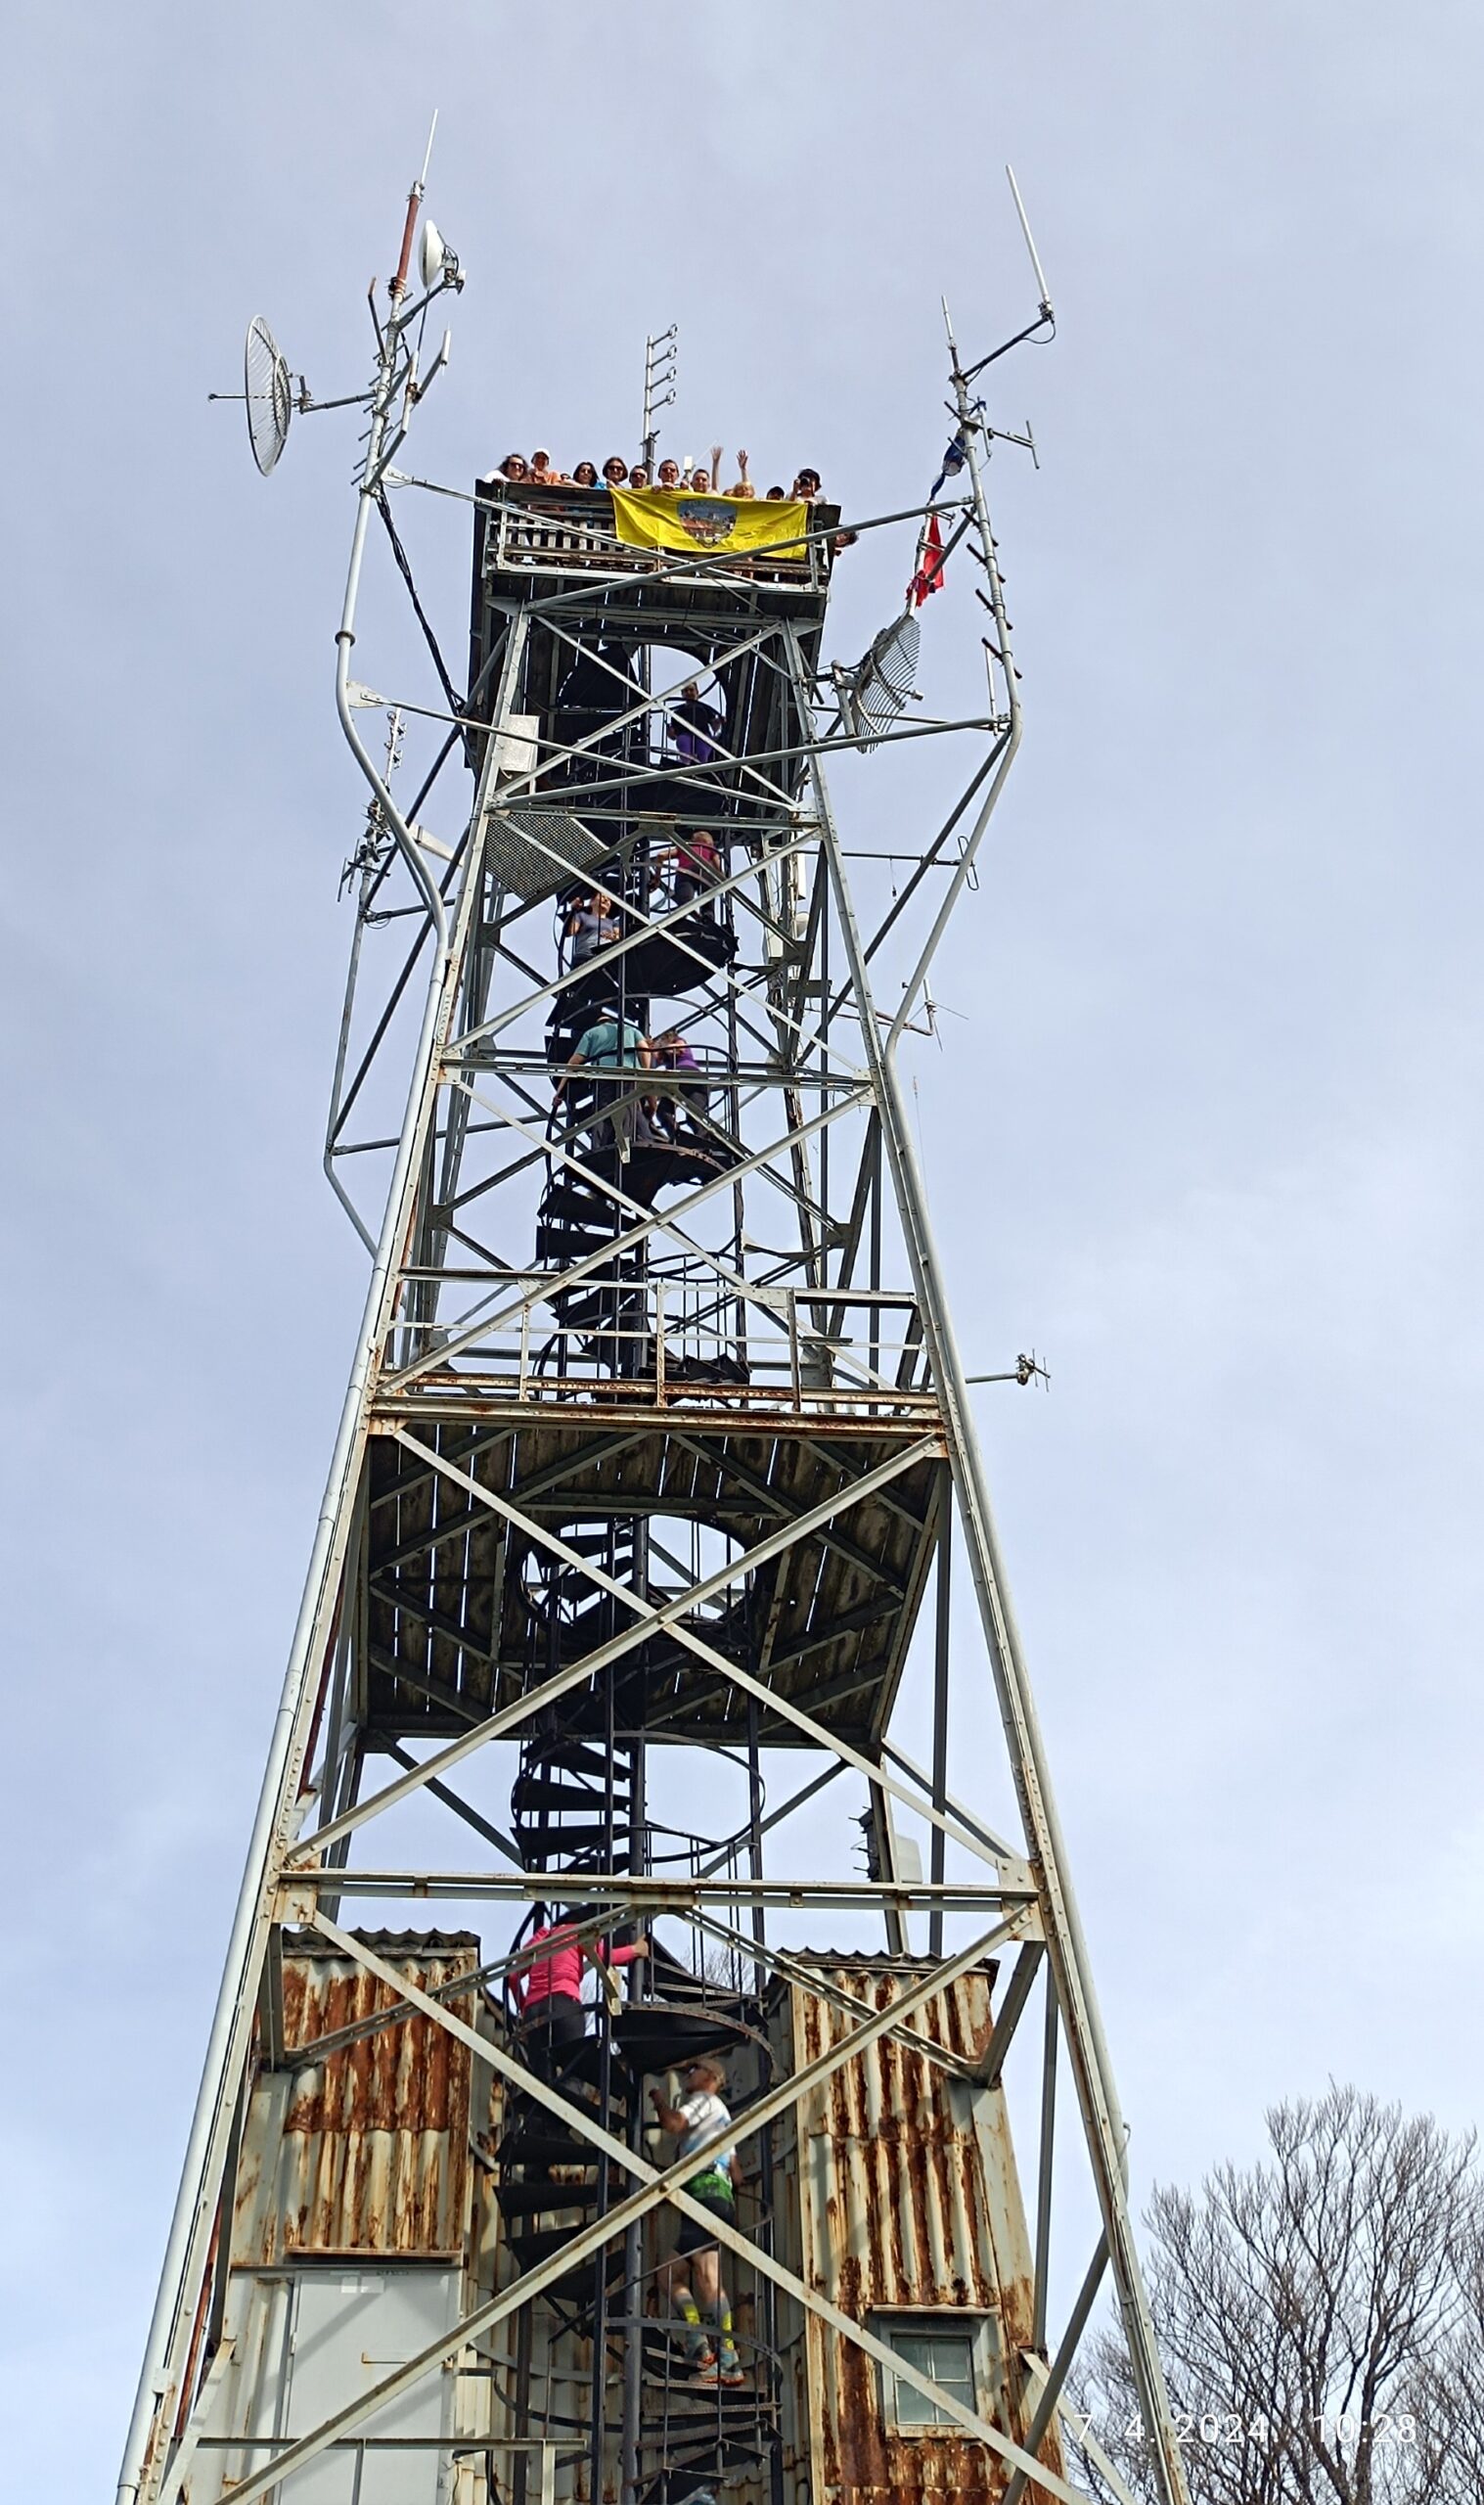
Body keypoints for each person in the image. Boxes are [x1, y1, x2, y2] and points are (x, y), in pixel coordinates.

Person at [652, 2058, 745, 2385]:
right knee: (668, 2274)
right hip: (711, 2196)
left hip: (705, 2194)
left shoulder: (704, 2100)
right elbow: (737, 2174)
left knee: (707, 2277)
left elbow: (674, 2123)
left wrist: (658, 2101)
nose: (688, 2076)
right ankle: (697, 2341)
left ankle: (728, 2359)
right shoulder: (724, 2118)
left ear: (711, 2077)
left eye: (694, 2071)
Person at [513, 1905, 649, 2077]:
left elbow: (512, 1977)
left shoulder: (541, 1937)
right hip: (563, 2004)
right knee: (574, 2070)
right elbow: (604, 1957)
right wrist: (636, 1949)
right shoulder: (576, 1931)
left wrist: (524, 2009)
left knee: (540, 2078)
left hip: (532, 2011)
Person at [555, 1005, 652, 1158]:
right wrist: (646, 1073)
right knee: (628, 1111)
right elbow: (644, 1050)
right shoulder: (631, 1030)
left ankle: (599, 1150)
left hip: (603, 1077)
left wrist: (560, 1091)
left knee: (602, 1113)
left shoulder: (591, 1033)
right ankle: (626, 1151)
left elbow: (575, 1062)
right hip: (629, 1075)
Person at [650, 1027, 707, 1138]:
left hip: (688, 1075)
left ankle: (703, 1139)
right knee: (663, 1112)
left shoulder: (679, 1041)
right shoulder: (667, 1058)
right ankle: (677, 1135)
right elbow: (653, 1060)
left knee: (694, 1117)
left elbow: (679, 1048)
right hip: (683, 1080)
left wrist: (661, 1047)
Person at [669, 682, 724, 768]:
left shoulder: (704, 708)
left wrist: (718, 722)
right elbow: (673, 735)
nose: (688, 692)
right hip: (684, 734)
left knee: (703, 752)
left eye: (691, 690)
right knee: (684, 747)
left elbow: (714, 727)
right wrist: (670, 732)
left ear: (697, 692)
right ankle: (686, 769)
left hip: (703, 735)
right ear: (682, 694)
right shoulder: (678, 712)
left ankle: (701, 770)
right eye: (685, 691)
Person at [565, 887, 621, 967]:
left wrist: (611, 936)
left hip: (605, 956)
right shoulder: (582, 916)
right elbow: (569, 932)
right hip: (584, 956)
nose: (606, 900)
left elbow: (618, 937)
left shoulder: (613, 923)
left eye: (609, 900)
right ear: (592, 901)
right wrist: (573, 911)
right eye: (602, 897)